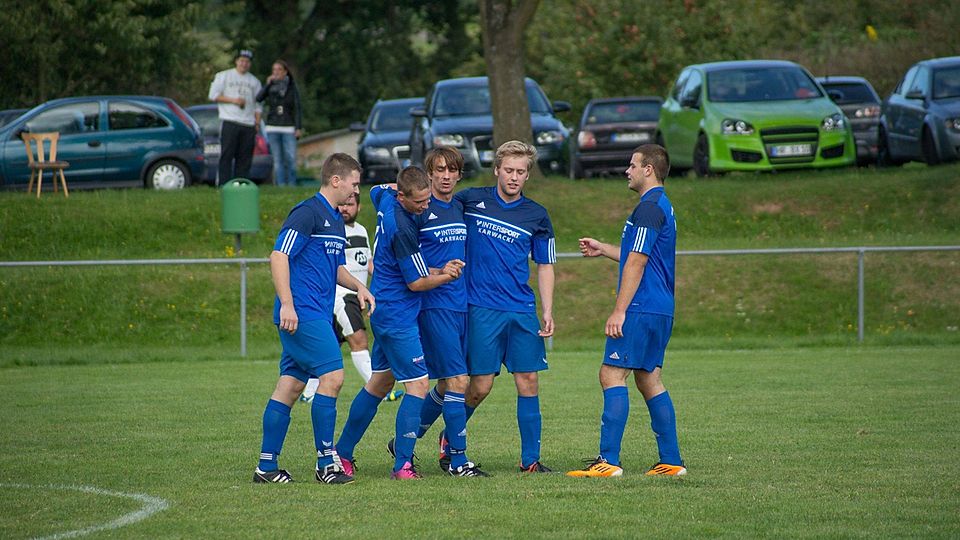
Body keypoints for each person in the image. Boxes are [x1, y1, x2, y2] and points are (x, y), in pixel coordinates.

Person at [335, 166, 465, 480]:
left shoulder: (385, 199)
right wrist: (446, 276)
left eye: (427, 199)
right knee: (418, 385)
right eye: (419, 202)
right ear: (403, 197)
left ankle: (342, 453)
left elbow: (376, 189)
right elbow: (416, 282)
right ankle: (403, 465)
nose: (426, 206)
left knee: (379, 383)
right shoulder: (403, 228)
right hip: (397, 315)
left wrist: (438, 269)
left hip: (386, 307)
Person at [253, 153, 373, 485]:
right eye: (354, 183)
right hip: (302, 313)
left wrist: (359, 286)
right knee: (333, 377)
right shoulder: (307, 213)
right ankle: (326, 465)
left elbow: (334, 267)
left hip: (315, 312)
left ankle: (266, 467)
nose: (356, 190)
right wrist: (287, 304)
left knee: (290, 386)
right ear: (336, 180)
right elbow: (279, 256)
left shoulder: (334, 218)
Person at [566, 144, 686, 478]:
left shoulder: (648, 208)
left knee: (611, 374)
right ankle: (671, 461)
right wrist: (604, 249)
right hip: (660, 307)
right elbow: (640, 253)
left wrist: (619, 310)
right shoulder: (662, 205)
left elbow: (638, 261)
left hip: (641, 306)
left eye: (632, 165)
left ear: (649, 169)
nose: (627, 171)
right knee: (649, 378)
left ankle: (608, 461)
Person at [453, 140, 556, 473]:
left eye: (520, 172)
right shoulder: (470, 201)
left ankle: (530, 461)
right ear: (497, 169)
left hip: (521, 309)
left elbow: (545, 265)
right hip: (480, 307)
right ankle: (449, 438)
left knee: (529, 381)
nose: (514, 177)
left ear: (527, 175)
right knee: (480, 386)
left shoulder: (537, 215)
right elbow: (435, 207)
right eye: (509, 170)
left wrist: (547, 310)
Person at [386, 146, 488, 477]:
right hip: (434, 305)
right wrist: (439, 271)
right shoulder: (418, 210)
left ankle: (404, 442)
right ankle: (458, 461)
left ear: (459, 175)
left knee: (446, 385)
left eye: (452, 170)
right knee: (458, 381)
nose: (446, 176)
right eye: (439, 170)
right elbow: (408, 259)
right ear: (429, 174)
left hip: (460, 305)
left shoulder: (460, 206)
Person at [300, 194, 403, 401]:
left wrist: (386, 279)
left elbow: (367, 261)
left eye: (351, 204)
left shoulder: (361, 230)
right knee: (359, 339)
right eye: (343, 204)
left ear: (359, 207)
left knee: (330, 346)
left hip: (357, 296)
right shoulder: (334, 230)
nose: (346, 208)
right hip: (342, 295)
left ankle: (308, 393)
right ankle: (380, 391)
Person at [208, 49, 263, 185]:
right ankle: (223, 184)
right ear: (236, 61)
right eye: (242, 61)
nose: (244, 64)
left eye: (247, 62)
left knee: (244, 157)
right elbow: (213, 95)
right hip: (230, 120)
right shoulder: (224, 76)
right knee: (227, 154)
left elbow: (258, 105)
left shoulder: (254, 82)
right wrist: (233, 100)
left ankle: (241, 184)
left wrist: (257, 123)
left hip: (248, 123)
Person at [256, 59, 302, 186]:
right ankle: (281, 185)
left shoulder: (292, 87)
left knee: (290, 158)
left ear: (285, 72)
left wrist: (298, 127)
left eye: (279, 69)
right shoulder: (271, 86)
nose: (276, 72)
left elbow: (297, 107)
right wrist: (268, 84)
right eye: (274, 70)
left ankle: (291, 184)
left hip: (288, 127)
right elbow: (258, 98)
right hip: (272, 126)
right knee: (277, 160)